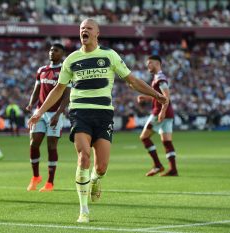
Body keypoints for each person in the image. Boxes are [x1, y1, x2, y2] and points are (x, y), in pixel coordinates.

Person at [28, 19, 168, 223]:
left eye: (88, 28)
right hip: (79, 113)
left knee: (101, 167)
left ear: (97, 33)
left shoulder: (109, 55)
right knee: (83, 156)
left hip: (103, 115)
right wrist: (39, 111)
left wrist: (156, 94)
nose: (84, 30)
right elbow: (59, 89)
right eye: (81, 28)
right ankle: (83, 210)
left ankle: (95, 180)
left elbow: (132, 81)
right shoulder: (72, 59)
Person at [26, 43, 70, 192]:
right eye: (51, 49)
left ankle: (50, 182)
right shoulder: (42, 70)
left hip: (54, 113)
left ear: (62, 54)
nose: (52, 52)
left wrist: (59, 114)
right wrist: (31, 104)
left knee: (51, 146)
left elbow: (66, 95)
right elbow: (36, 89)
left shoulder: (65, 71)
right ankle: (35, 177)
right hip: (40, 112)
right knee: (34, 143)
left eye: (56, 50)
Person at [137, 55, 178, 177]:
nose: (147, 65)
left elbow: (166, 96)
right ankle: (173, 169)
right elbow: (159, 96)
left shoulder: (160, 78)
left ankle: (157, 165)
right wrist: (146, 97)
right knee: (167, 142)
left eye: (150, 63)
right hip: (168, 113)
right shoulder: (157, 77)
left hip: (159, 112)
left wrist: (162, 111)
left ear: (157, 63)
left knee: (144, 137)